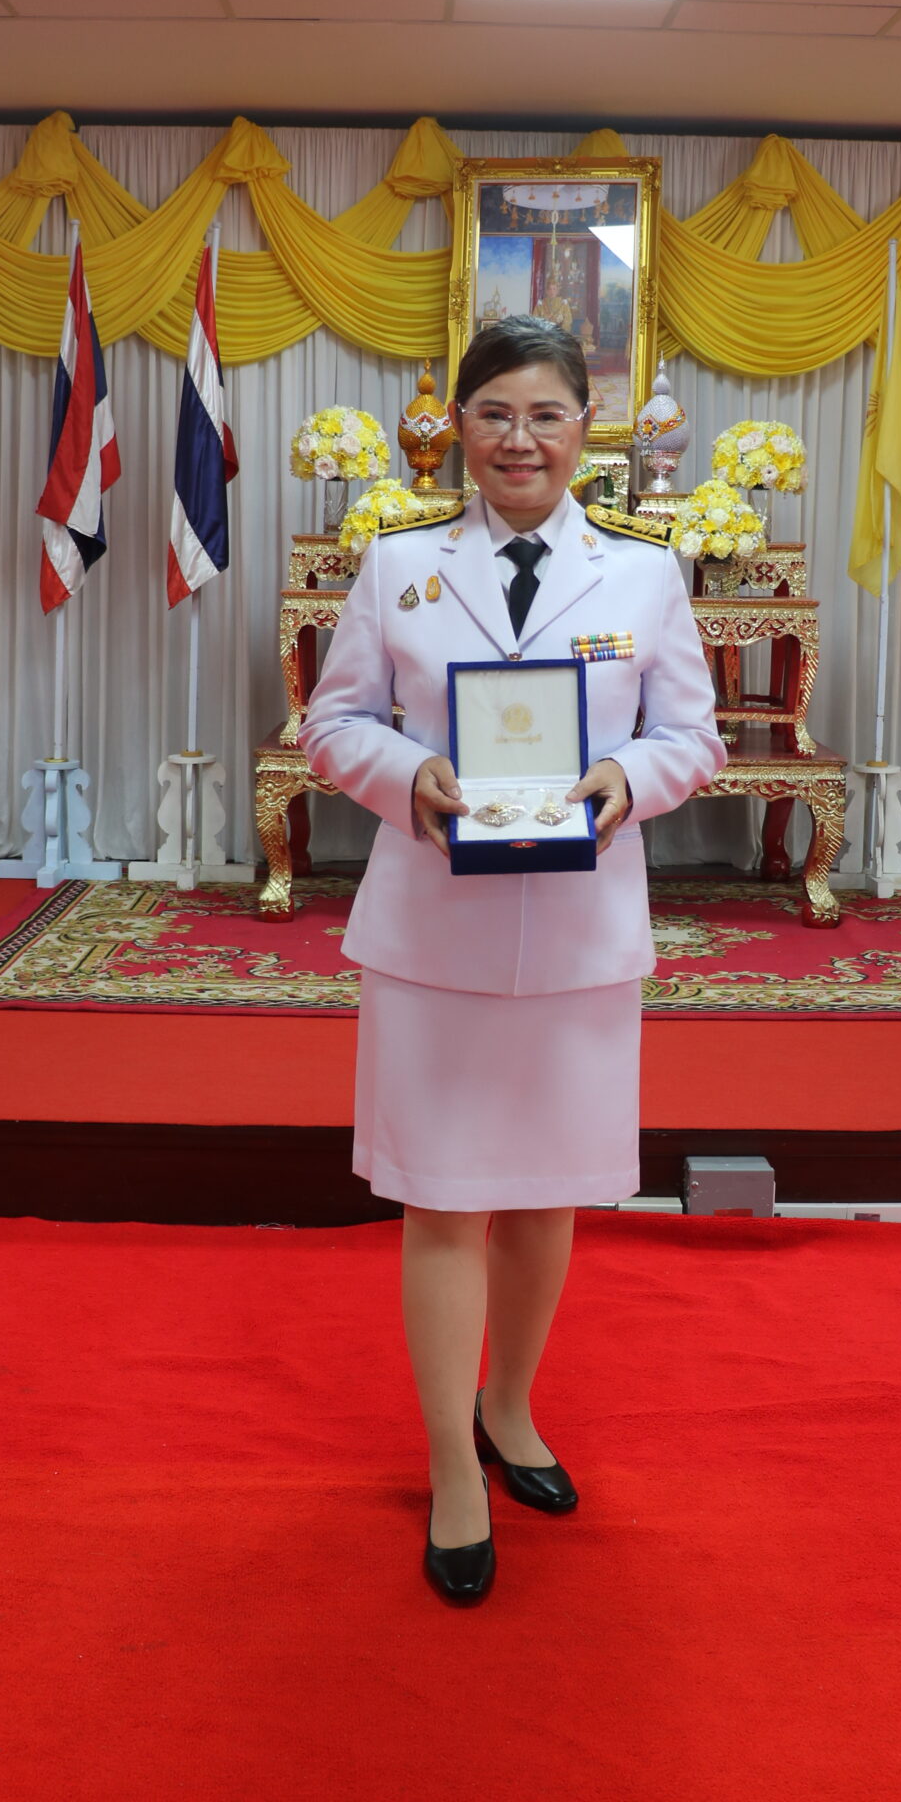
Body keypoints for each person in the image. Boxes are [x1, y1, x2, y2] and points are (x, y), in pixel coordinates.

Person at [300, 318, 726, 1605]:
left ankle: (509, 1406)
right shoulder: (400, 565)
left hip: (582, 938)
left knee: (546, 1197)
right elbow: (332, 722)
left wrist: (627, 778)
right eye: (494, 413)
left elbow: (693, 737)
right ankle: (451, 1464)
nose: (518, 439)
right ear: (458, 427)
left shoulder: (644, 574)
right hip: (435, 935)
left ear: (585, 428)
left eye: (545, 414)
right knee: (444, 1203)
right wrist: (407, 772)